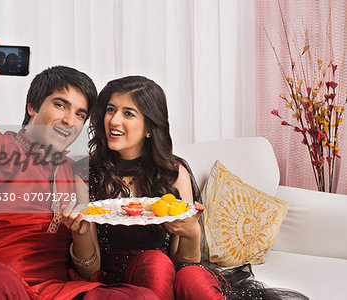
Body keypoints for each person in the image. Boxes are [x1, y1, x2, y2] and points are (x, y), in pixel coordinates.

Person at [0, 39, 160, 300]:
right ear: (32, 107)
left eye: (80, 115)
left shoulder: (77, 174)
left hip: (49, 291)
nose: (69, 121)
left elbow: (87, 269)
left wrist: (81, 235)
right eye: (60, 105)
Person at [62, 76, 310, 300]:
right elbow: (89, 271)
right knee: (156, 262)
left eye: (128, 113)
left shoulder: (173, 172)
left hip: (174, 276)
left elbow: (185, 262)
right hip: (117, 282)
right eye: (110, 110)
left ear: (150, 126)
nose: (114, 120)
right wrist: (80, 234)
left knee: (192, 278)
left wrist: (191, 232)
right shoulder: (85, 173)